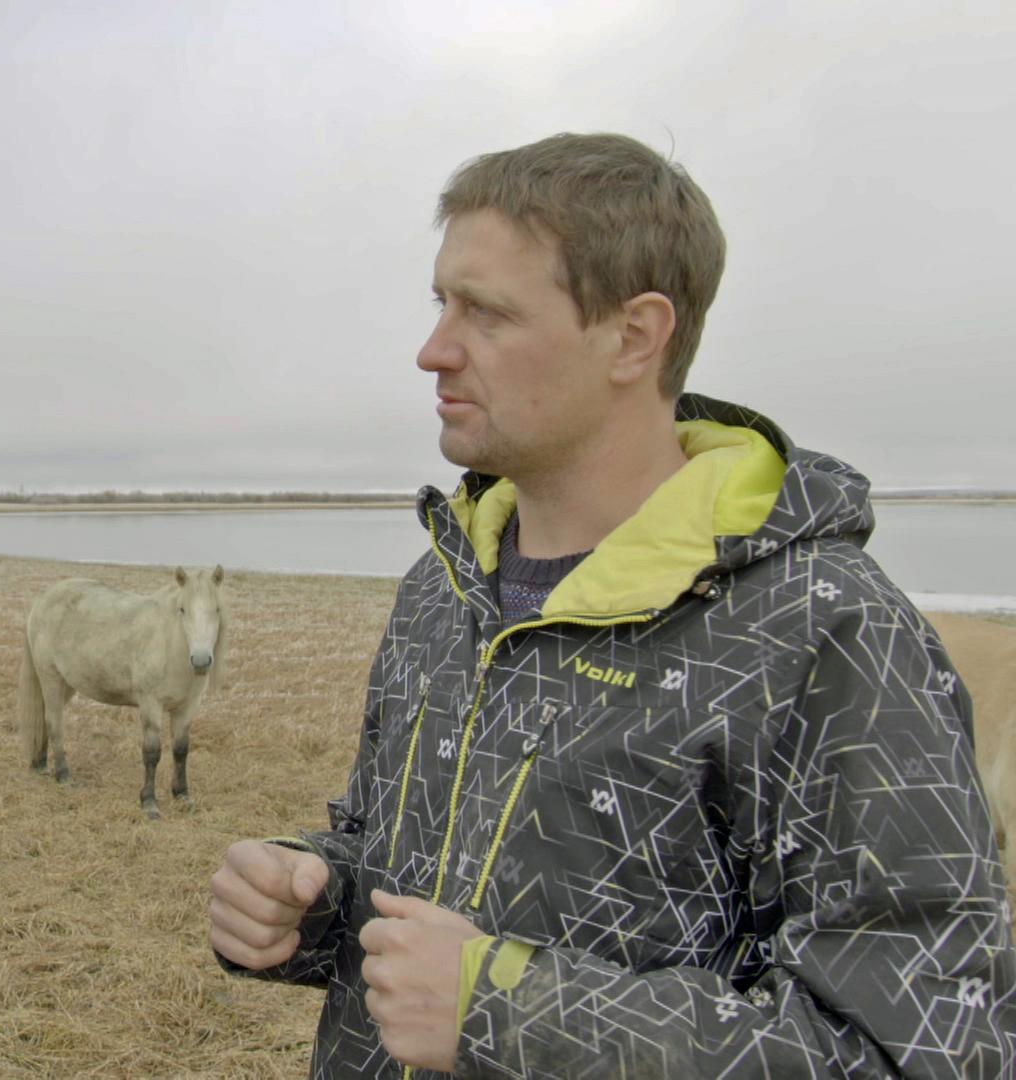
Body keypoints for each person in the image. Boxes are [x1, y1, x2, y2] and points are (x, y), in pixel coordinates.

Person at [208, 134, 1014, 1077]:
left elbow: (924, 1048)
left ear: (635, 336)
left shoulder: (823, 630)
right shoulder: (445, 585)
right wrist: (312, 897)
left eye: (488, 313)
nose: (433, 351)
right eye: (440, 303)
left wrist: (504, 1015)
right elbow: (393, 867)